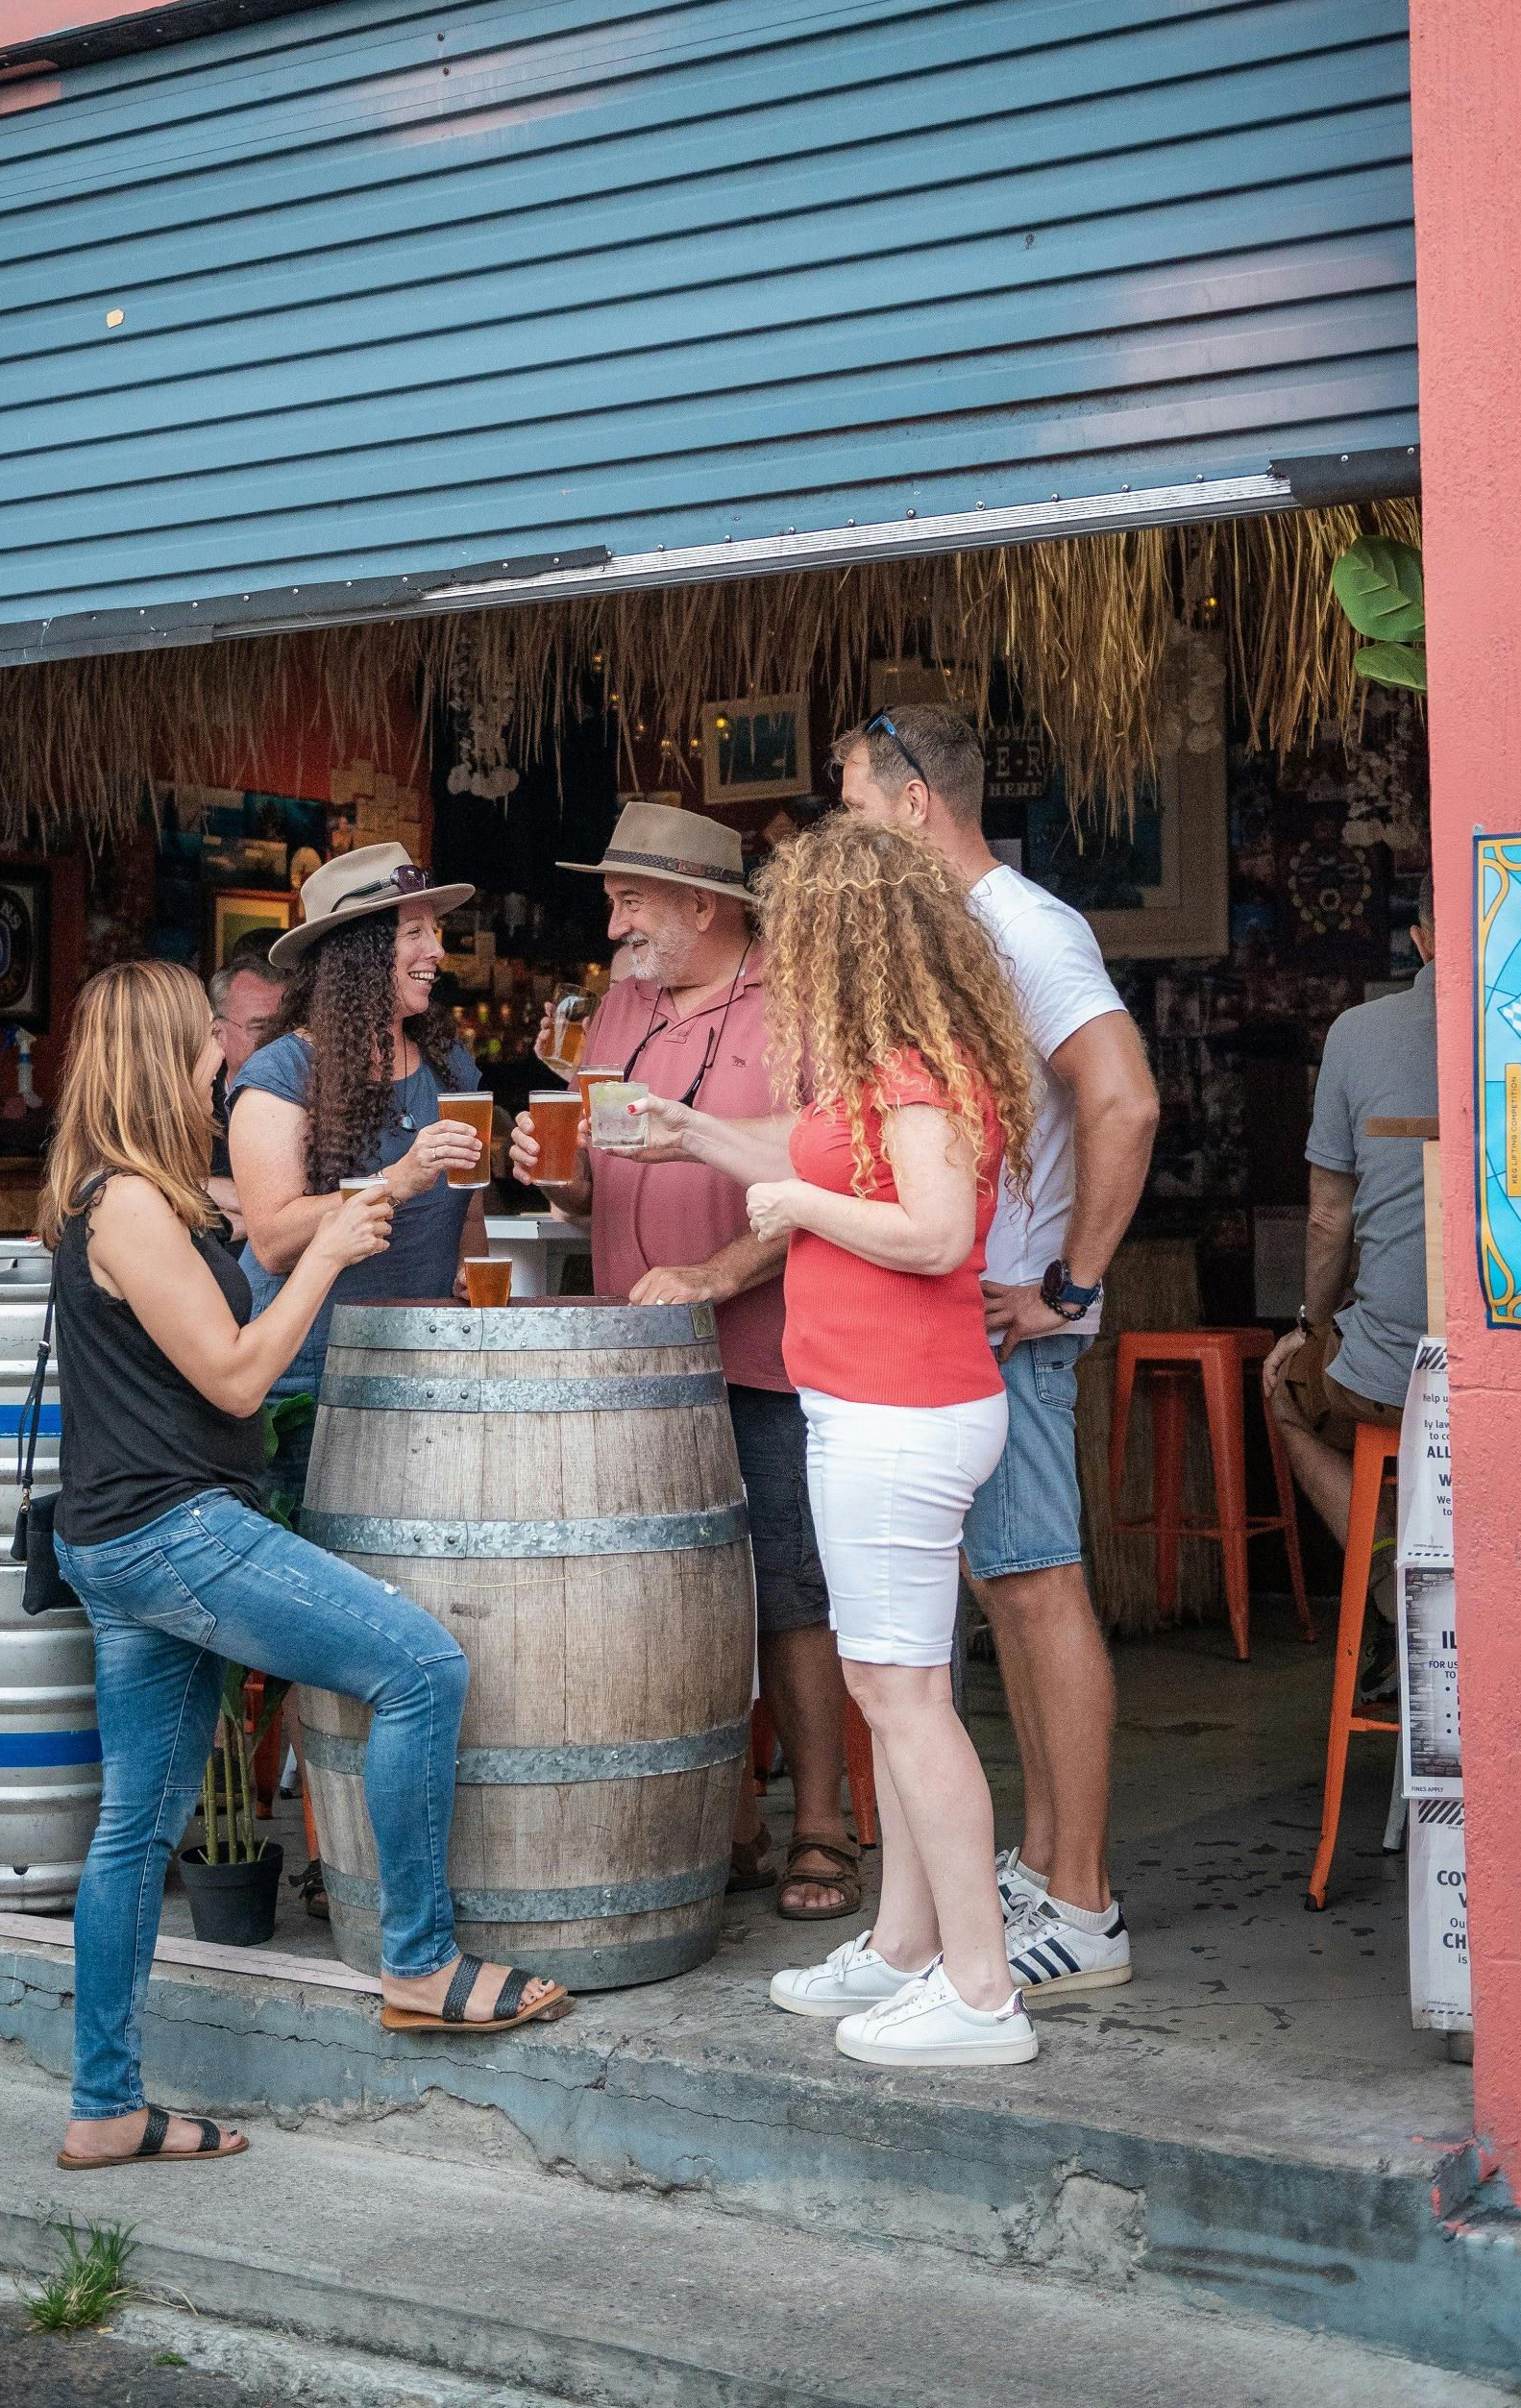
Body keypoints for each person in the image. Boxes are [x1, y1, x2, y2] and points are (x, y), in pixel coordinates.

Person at [46, 960, 567, 2174]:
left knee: (136, 1827)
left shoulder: (131, 1191)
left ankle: (104, 2104)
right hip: (172, 1530)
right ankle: (420, 1959)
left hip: (128, 1533)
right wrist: (325, 1254)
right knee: (421, 1667)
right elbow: (236, 1375)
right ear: (162, 1055)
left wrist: (355, 1194)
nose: (222, 1058)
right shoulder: (130, 1205)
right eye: (205, 1041)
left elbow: (234, 1259)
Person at [634, 817, 1043, 2068]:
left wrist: (798, 1204)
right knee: (898, 1690)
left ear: (848, 940)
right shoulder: (897, 1062)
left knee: (903, 1700)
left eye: (801, 935)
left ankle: (980, 1992)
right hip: (883, 1407)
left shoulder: (912, 1073)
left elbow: (932, 1233)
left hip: (898, 1412)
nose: (785, 960)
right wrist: (692, 1133)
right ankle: (906, 1945)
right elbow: (821, 1155)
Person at [835, 705, 1158, 2000]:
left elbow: (1124, 1096)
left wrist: (1067, 1284)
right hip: (973, 1324)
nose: (849, 830)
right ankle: (1043, 1865)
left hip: (1014, 1323)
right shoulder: (964, 932)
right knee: (1010, 1591)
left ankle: (1081, 1903)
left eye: (857, 803)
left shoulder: (1025, 927)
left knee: (1036, 1589)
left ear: (915, 800)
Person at [507, 802, 858, 1925]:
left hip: (766, 1350)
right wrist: (552, 1173)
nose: (612, 922)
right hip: (640, 1359)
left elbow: (835, 1179)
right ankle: (724, 1819)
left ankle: (821, 1822)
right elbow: (595, 1181)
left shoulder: (799, 1003)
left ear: (701, 905)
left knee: (789, 1592)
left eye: (629, 900)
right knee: (673, 1592)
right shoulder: (618, 1002)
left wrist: (716, 1270)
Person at [226, 843, 490, 1508]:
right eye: (413, 933)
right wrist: (394, 1180)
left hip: (426, 1374)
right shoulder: (280, 1075)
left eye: (435, 931)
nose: (436, 950)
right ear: (358, 952)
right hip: (307, 1385)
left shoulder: (450, 1065)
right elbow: (272, 1240)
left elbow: (468, 1207)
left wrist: (470, 1277)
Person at [1262, 872, 1438, 1685]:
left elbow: (1328, 1218)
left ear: (1421, 939)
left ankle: (1393, 1590)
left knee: (1286, 1391)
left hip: (1394, 1376)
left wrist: (1307, 1324)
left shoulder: (1357, 1033)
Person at [206, 952, 292, 1240]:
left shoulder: (318, 1097)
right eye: (260, 1027)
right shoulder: (191, 1102)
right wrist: (203, 1185)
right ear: (218, 1033)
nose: (278, 1041)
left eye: (285, 1026)